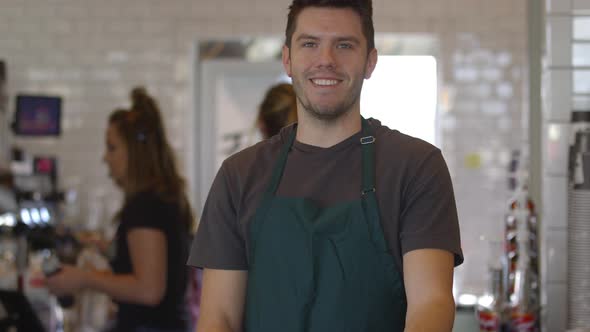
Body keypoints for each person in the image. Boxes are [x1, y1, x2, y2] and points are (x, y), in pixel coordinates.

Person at [188, 0, 463, 331]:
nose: (326, 60)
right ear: (287, 58)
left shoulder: (415, 167)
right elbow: (219, 317)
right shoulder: (239, 175)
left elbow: (431, 304)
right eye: (310, 44)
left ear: (370, 62)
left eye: (344, 45)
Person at [46, 87, 195, 332]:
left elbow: (149, 290)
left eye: (112, 148)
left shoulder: (145, 207)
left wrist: (84, 278)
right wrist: (111, 250)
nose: (106, 158)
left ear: (134, 153)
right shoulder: (159, 199)